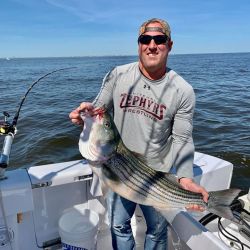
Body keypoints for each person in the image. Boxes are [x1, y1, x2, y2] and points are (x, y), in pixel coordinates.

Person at [69, 18, 209, 250]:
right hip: (118, 167)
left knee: (157, 231)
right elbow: (99, 110)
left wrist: (185, 178)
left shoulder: (183, 91)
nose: (152, 45)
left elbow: (182, 138)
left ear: (170, 45)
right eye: (145, 39)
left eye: (159, 39)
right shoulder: (118, 75)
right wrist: (85, 115)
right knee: (118, 225)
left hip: (159, 176)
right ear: (139, 44)